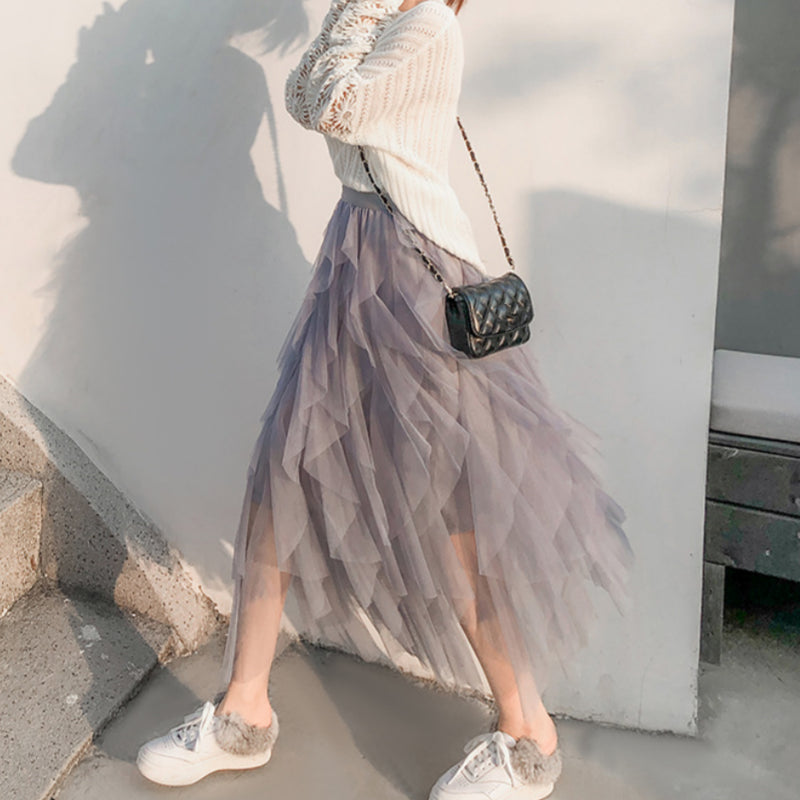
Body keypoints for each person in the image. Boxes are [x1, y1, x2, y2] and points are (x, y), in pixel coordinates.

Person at [136, 1, 636, 797]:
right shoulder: (371, 24)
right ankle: (244, 712)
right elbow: (304, 92)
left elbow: (331, 108)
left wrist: (361, 9)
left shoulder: (428, 26)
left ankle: (528, 734)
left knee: (456, 513)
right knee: (281, 476)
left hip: (417, 283)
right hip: (353, 271)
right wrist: (355, 11)